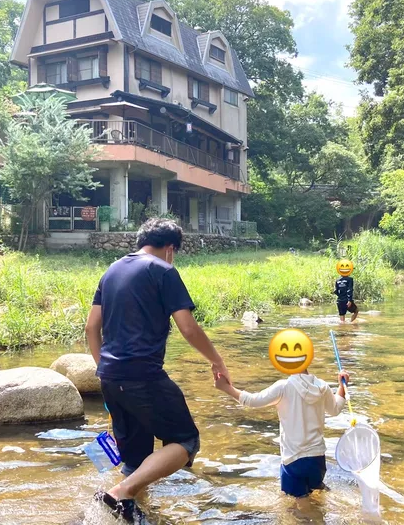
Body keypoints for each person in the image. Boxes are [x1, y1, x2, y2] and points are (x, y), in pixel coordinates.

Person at [85, 218, 230, 523]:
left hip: (111, 376)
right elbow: (188, 328)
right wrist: (216, 360)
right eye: (174, 252)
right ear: (169, 248)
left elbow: (91, 328)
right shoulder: (162, 269)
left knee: (135, 458)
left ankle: (131, 512)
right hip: (144, 376)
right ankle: (121, 493)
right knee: (186, 441)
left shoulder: (111, 271)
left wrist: (105, 371)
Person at [214, 366, 348, 498]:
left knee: (296, 510)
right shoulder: (322, 386)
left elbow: (252, 401)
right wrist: (342, 386)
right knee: (315, 494)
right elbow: (335, 409)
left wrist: (226, 387)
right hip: (318, 459)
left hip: (293, 461)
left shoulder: (283, 387)